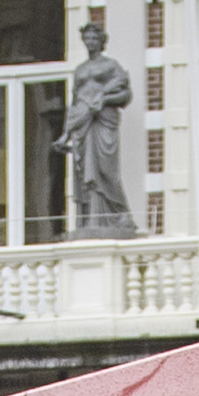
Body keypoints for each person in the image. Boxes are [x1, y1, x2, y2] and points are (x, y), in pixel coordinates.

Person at [60, 13, 137, 237]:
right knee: (84, 172)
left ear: (102, 41)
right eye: (87, 38)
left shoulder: (111, 66)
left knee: (106, 169)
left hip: (103, 121)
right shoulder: (80, 70)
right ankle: (89, 219)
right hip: (83, 124)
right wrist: (65, 134)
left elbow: (126, 95)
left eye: (95, 38)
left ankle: (119, 215)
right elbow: (74, 104)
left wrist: (104, 100)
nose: (91, 42)